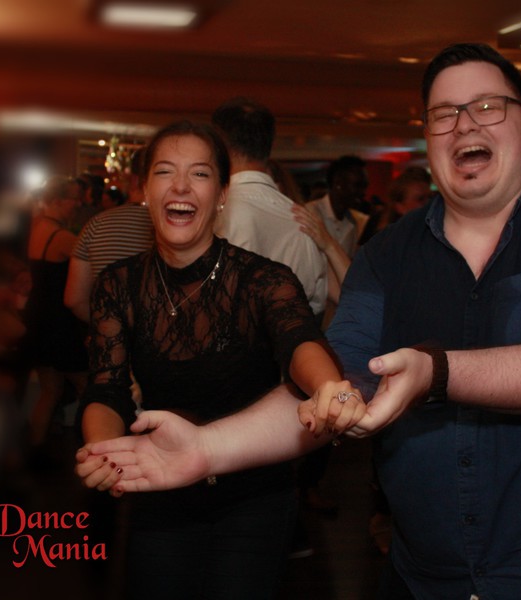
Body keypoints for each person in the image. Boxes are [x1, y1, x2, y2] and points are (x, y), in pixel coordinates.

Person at [79, 43, 521, 599]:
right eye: (444, 114)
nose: (465, 125)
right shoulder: (387, 255)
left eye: (489, 107)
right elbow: (336, 388)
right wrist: (206, 448)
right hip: (425, 577)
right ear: (428, 137)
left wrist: (434, 372)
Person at [75, 120, 364, 599]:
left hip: (253, 495)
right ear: (144, 189)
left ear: (222, 194)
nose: (181, 186)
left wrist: (326, 385)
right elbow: (107, 387)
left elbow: (299, 340)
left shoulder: (263, 279)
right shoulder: (118, 284)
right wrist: (105, 450)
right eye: (165, 171)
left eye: (200, 173)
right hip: (160, 485)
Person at [211, 97, 328, 320]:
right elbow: (317, 302)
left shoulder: (217, 210)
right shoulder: (302, 220)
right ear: (269, 145)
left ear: (220, 146)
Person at [21, 175, 88, 449]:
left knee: (50, 390)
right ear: (58, 201)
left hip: (37, 316)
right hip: (58, 324)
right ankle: (91, 449)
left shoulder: (37, 228)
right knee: (88, 386)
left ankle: (35, 448)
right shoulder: (62, 238)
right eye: (74, 199)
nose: (78, 204)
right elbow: (91, 269)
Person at [64, 148, 154, 323]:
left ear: (133, 179)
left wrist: (107, 326)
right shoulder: (177, 228)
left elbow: (74, 299)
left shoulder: (97, 224)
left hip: (109, 331)